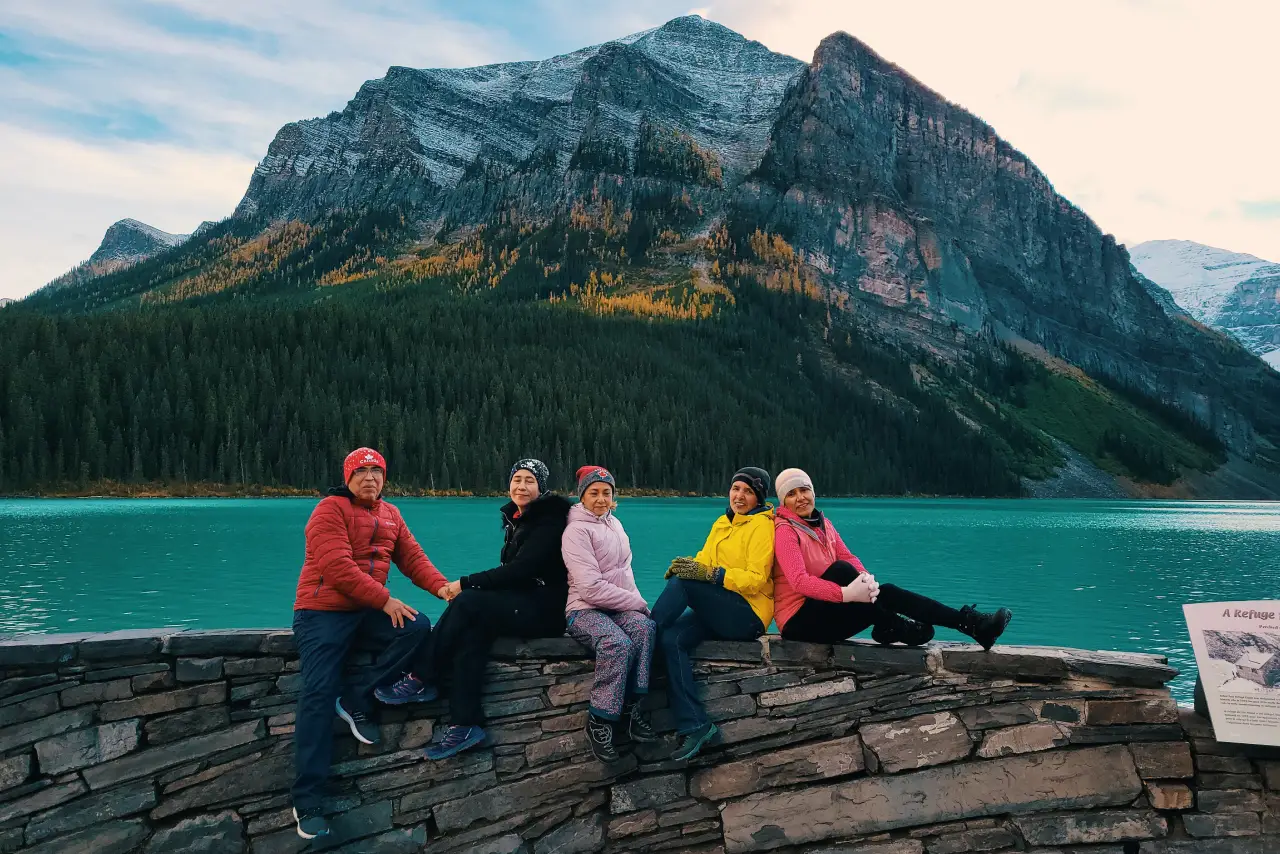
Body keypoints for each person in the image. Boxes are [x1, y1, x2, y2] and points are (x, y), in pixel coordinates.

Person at [291, 447, 450, 841]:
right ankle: (307, 799)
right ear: (347, 477)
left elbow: (413, 559)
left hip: (365, 611)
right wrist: (384, 599)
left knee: (417, 627)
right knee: (316, 693)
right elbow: (337, 568)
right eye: (360, 471)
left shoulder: (391, 514)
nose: (369, 478)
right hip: (321, 611)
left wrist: (446, 589)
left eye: (376, 471)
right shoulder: (329, 510)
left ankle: (357, 700)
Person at [375, 459, 571, 760]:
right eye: (517, 479)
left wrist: (466, 583)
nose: (521, 485)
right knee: (472, 630)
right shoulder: (521, 517)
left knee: (467, 602)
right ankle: (464, 724)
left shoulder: (550, 521)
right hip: (525, 601)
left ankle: (420, 677)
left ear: (541, 487)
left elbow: (522, 569)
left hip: (546, 611)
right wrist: (474, 587)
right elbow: (515, 575)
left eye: (529, 480)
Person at [771, 467, 1012, 649]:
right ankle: (896, 627)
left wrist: (867, 582)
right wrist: (847, 593)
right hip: (799, 623)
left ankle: (971, 625)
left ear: (813, 492)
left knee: (884, 590)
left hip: (827, 615)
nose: (800, 497)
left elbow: (848, 555)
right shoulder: (785, 531)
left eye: (804, 490)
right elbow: (799, 581)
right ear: (783, 501)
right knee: (841, 571)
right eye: (791, 494)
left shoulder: (824, 524)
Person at [651, 466, 775, 762]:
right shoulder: (722, 522)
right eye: (736, 489)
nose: (740, 496)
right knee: (672, 639)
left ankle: (644, 636)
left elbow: (756, 578)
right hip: (722, 611)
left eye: (747, 491)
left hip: (748, 615)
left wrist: (712, 575)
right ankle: (695, 724)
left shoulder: (763, 526)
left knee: (684, 583)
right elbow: (704, 560)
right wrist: (687, 563)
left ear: (758, 497)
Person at [561, 465, 657, 762]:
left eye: (606, 493)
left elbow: (625, 575)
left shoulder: (615, 524)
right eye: (594, 493)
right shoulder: (575, 530)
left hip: (615, 606)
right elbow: (589, 589)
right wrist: (637, 603)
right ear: (582, 496)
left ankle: (630, 708)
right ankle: (600, 721)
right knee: (617, 644)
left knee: (645, 629)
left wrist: (639, 604)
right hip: (583, 609)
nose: (601, 499)